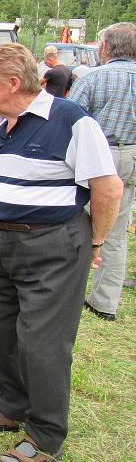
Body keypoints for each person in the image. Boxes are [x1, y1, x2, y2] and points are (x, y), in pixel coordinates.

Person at [0, 43, 122, 462]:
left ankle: (45, 436)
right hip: (6, 243)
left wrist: (95, 243)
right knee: (3, 330)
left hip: (53, 245)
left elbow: (109, 188)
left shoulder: (72, 121)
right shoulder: (7, 122)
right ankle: (12, 409)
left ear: (13, 83)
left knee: (43, 343)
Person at [68, 22, 136, 315]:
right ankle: (105, 301)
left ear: (106, 47)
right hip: (131, 155)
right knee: (117, 229)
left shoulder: (93, 78)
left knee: (75, 223)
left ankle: (66, 289)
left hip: (96, 155)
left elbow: (68, 119)